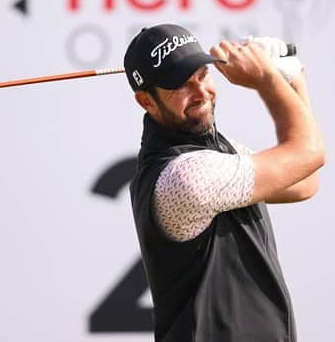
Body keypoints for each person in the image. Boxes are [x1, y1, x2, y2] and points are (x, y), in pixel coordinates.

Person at [124, 24, 324, 342]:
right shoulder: (186, 176)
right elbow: (308, 153)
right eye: (180, 85)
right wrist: (268, 80)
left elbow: (304, 181)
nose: (200, 92)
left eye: (202, 74)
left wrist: (293, 76)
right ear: (147, 101)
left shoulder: (217, 154)